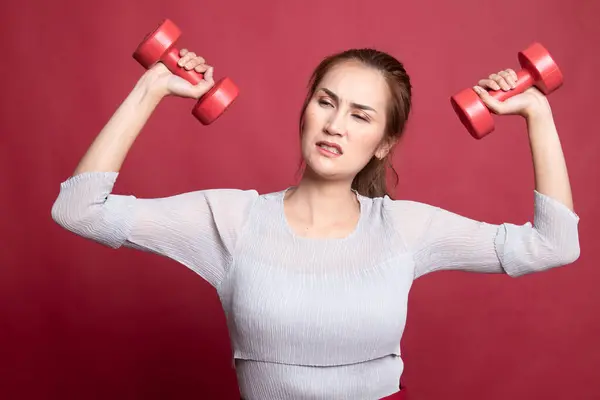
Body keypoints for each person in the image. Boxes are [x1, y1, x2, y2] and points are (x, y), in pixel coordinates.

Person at [51, 46, 581, 400]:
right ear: (305, 111)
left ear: (385, 143)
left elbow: (554, 246)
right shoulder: (232, 220)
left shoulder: (404, 230)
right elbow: (78, 210)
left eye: (360, 115)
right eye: (326, 103)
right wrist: (154, 87)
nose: (334, 124)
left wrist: (537, 113)